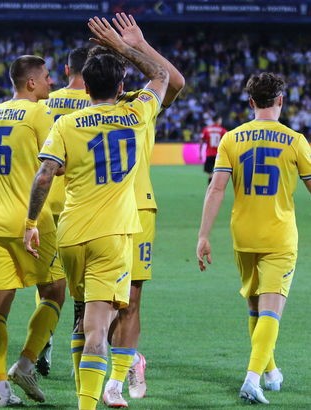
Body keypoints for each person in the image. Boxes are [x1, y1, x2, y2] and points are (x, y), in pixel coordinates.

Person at [23, 16, 168, 410]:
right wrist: (123, 46)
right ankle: (91, 402)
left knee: (81, 315)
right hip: (113, 235)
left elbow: (44, 175)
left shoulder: (67, 124)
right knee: (98, 328)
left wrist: (31, 223)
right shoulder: (136, 113)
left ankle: (82, 396)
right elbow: (160, 75)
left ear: (85, 87)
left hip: (71, 233)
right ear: (121, 88)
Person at [196, 72, 311, 405]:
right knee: (271, 310)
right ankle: (252, 378)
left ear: (251, 102)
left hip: (243, 234)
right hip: (279, 236)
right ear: (280, 100)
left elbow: (216, 188)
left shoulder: (232, 139)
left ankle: (270, 371)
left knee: (255, 307)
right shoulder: (295, 140)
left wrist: (203, 235)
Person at [97, 13, 185, 407]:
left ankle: (117, 378)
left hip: (136, 210)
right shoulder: (76, 113)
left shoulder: (140, 105)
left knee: (129, 300)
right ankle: (126, 359)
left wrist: (138, 46)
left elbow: (174, 82)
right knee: (92, 304)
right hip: (92, 213)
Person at [0, 55, 67, 406]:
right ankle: (27, 363)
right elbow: (56, 166)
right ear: (31, 82)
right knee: (55, 290)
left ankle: (0, 389)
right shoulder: (40, 113)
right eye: (46, 77)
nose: (51, 82)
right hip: (30, 222)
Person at [33, 46, 91, 378]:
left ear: (67, 69)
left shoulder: (46, 102)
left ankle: (45, 341)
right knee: (82, 287)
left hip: (45, 202)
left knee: (47, 280)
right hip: (79, 203)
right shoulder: (98, 103)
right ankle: (80, 352)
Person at [200, 116, 228, 185]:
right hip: (219, 154)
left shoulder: (206, 129)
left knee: (210, 173)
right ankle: (215, 186)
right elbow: (228, 141)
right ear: (218, 120)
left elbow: (201, 141)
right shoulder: (222, 130)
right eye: (220, 120)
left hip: (209, 154)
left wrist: (200, 153)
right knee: (218, 172)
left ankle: (210, 187)